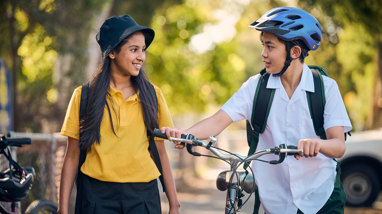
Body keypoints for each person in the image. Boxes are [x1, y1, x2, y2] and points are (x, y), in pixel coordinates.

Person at [160, 7, 352, 214]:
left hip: (320, 197)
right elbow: (218, 121)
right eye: (263, 45)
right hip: (275, 199)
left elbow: (338, 146)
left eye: (270, 47)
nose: (263, 53)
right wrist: (187, 134)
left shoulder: (325, 88)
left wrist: (318, 143)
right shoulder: (256, 88)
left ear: (295, 52)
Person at [58, 15, 180, 214]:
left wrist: (174, 204)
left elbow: (160, 152)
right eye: (134, 50)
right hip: (96, 197)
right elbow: (71, 156)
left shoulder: (153, 95)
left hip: (143, 197)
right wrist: (62, 208)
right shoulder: (84, 96)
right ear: (112, 52)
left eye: (143, 50)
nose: (141, 56)